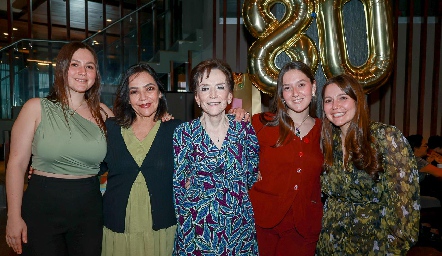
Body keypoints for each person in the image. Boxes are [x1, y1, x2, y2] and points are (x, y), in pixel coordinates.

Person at [5, 41, 114, 255]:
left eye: (89, 66)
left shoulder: (103, 113)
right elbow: (16, 165)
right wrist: (13, 216)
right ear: (63, 68)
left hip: (89, 208)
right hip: (42, 207)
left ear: (96, 74)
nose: (83, 72)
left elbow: (133, 139)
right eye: (75, 64)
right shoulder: (35, 107)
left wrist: (162, 119)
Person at [316, 74, 420, 255]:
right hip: (330, 244)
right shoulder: (326, 143)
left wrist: (395, 248)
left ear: (358, 101)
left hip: (374, 245)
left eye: (343, 98)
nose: (335, 106)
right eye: (328, 100)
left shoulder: (385, 137)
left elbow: (406, 205)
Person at [172, 59, 260, 255]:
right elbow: (178, 186)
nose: (213, 95)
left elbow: (251, 175)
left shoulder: (244, 129)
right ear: (196, 97)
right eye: (205, 88)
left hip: (238, 228)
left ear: (229, 96)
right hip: (197, 229)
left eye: (220, 87)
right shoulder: (184, 133)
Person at [100, 63, 181, 255]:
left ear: (160, 93)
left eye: (150, 89)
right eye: (134, 92)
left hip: (161, 233)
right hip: (119, 231)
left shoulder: (176, 130)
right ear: (127, 98)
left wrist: (236, 116)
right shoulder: (110, 129)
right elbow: (89, 167)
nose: (143, 97)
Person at [248, 61, 323, 256]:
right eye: (287, 88)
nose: (295, 93)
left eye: (301, 85)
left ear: (313, 87)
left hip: (303, 227)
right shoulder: (260, 123)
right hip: (262, 224)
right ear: (281, 94)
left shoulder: (326, 131)